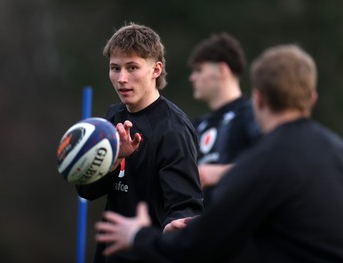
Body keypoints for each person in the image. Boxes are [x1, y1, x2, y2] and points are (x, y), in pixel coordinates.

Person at [95, 44, 343, 263]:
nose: (122, 77)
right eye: (115, 68)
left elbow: (200, 244)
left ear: (257, 100)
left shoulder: (264, 161)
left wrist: (138, 237)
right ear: (312, 99)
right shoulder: (337, 150)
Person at [76, 22, 204, 263]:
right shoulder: (112, 117)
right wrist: (115, 160)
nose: (122, 78)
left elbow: (185, 206)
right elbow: (86, 190)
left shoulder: (172, 129)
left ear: (156, 69)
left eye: (132, 67)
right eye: (115, 68)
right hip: (109, 254)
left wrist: (173, 227)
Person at [188, 33, 261, 204]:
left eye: (199, 70)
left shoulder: (252, 113)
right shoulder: (197, 125)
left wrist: (220, 173)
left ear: (222, 70)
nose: (192, 77)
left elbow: (272, 163)